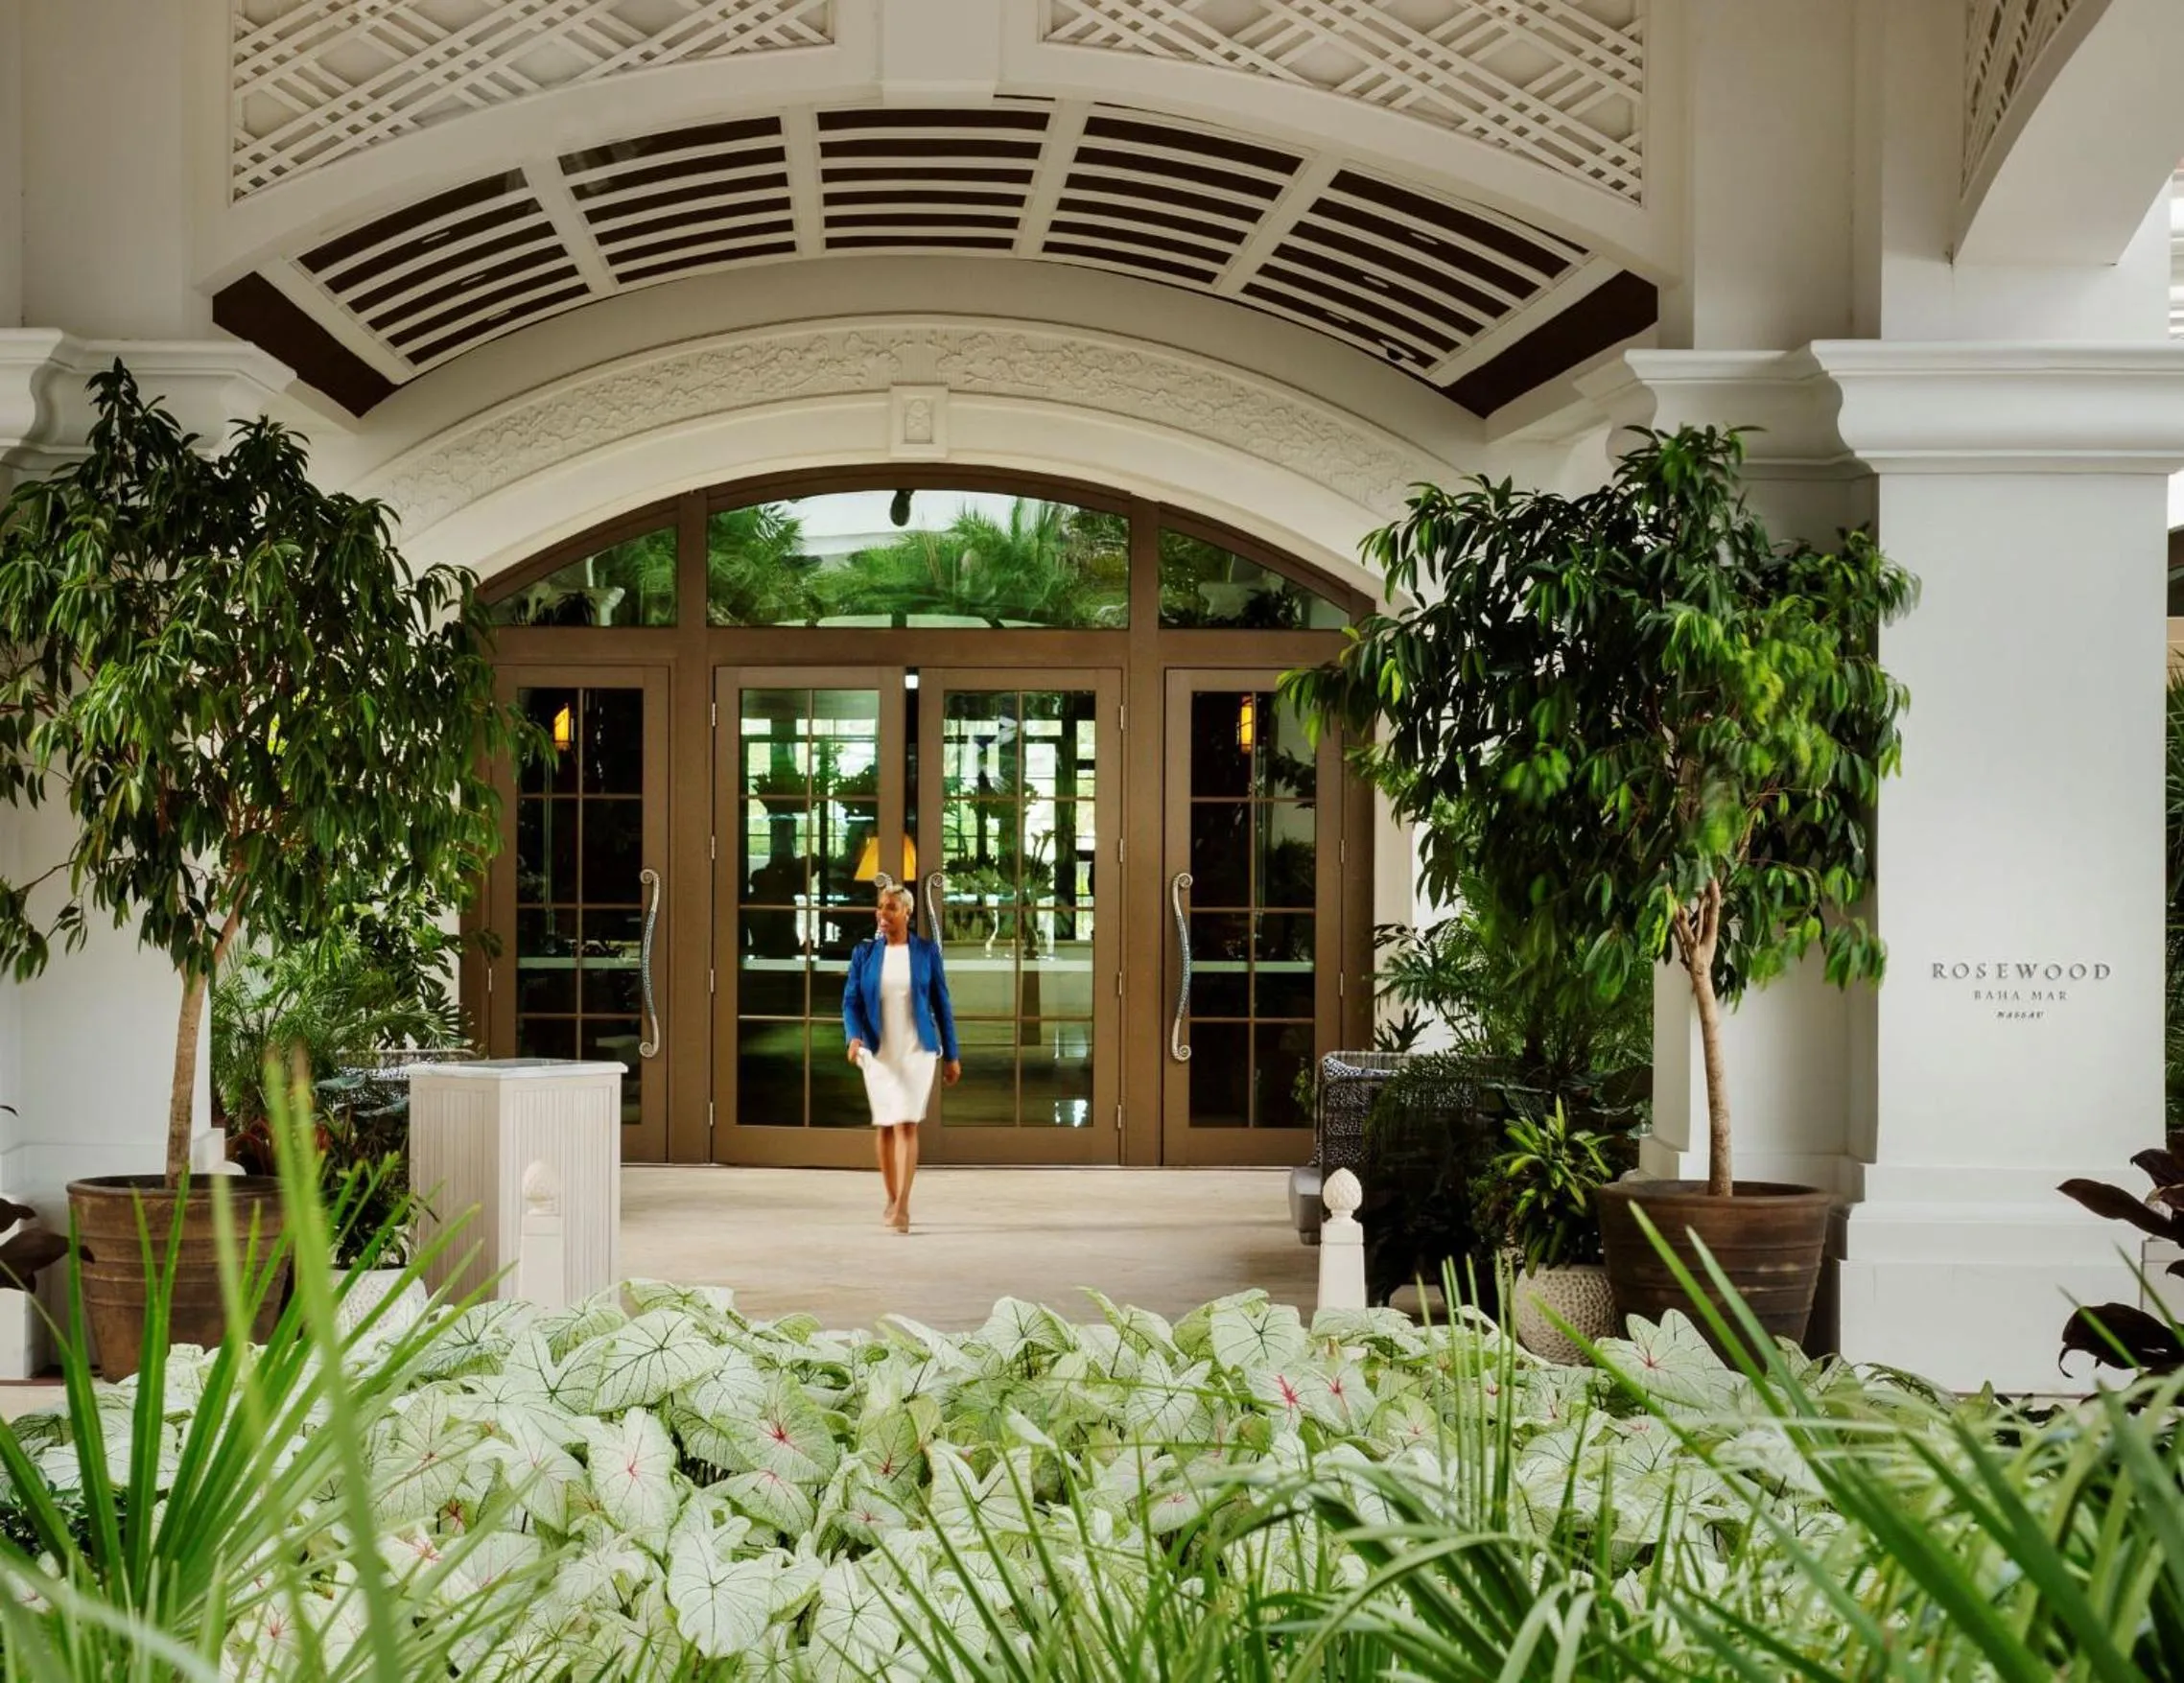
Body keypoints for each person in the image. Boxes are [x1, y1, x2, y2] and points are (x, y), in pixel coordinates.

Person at [843, 882, 960, 1232]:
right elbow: (851, 1001)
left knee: (906, 1123)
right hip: (878, 1051)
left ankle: (903, 1206)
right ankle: (891, 1197)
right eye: (880, 907)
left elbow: (942, 1004)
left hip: (916, 1049)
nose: (883, 914)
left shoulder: (926, 952)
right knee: (885, 1125)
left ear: (907, 913)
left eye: (891, 908)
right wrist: (853, 1036)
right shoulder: (864, 953)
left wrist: (952, 1054)